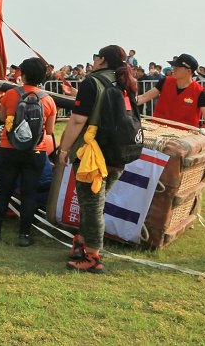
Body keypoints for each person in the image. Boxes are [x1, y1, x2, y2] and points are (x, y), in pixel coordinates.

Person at [57, 45, 136, 274]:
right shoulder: (126, 81)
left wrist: (64, 149)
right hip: (120, 152)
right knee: (93, 203)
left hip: (92, 153)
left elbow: (77, 120)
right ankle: (82, 241)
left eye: (95, 57)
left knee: (91, 206)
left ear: (102, 60)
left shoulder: (92, 81)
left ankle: (93, 257)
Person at [0, 57, 57, 247]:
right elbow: (49, 130)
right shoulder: (48, 100)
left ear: (23, 75)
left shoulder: (10, 94)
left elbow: (2, 118)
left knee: (4, 191)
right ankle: (24, 235)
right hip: (35, 151)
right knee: (29, 194)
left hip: (8, 149)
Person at [137, 53, 205, 137]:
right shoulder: (164, 82)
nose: (173, 69)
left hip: (183, 138)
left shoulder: (199, 92)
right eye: (174, 66)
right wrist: (127, 102)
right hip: (157, 134)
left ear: (189, 71)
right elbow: (144, 97)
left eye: (178, 67)